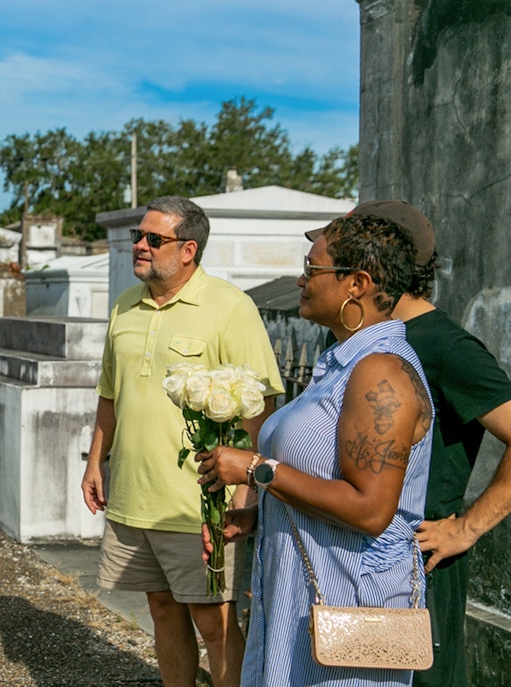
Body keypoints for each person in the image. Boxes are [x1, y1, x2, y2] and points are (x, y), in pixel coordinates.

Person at [196, 213, 433, 685]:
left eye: (313, 269)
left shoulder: (380, 373)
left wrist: (258, 471)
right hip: (298, 601)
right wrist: (258, 513)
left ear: (357, 284)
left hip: (350, 611)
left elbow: (370, 511)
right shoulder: (342, 363)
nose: (302, 280)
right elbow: (319, 472)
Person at [80, 196, 284, 687]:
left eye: (154, 239)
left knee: (213, 623)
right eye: (138, 237)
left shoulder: (230, 307)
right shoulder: (125, 306)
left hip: (199, 505)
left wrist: (245, 494)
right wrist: (94, 463)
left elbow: (259, 408)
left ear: (188, 249)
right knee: (162, 610)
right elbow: (110, 394)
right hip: (133, 496)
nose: (140, 246)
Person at [306, 201, 511, 686]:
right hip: (346, 561)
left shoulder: (445, 348)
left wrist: (466, 527)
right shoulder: (354, 337)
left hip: (415, 569)